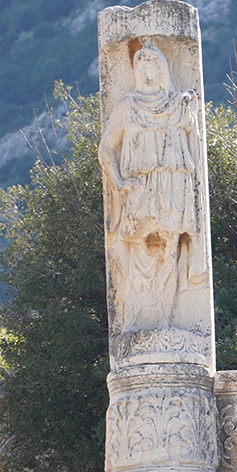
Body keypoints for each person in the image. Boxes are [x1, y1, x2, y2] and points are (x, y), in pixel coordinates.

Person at [98, 38, 206, 333]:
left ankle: (164, 320)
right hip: (138, 187)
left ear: (162, 68)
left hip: (172, 185)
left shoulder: (180, 104)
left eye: (153, 63)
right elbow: (106, 148)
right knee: (142, 251)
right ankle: (138, 320)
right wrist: (118, 179)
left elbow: (195, 146)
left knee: (170, 248)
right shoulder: (126, 106)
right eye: (140, 63)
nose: (146, 70)